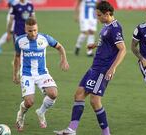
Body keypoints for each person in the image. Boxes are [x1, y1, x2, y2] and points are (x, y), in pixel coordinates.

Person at [54, 1, 126, 135]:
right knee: (79, 94)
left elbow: (122, 49)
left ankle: (106, 133)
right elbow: (106, 42)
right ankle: (71, 130)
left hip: (103, 69)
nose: (97, 18)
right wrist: (95, 45)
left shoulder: (115, 28)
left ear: (108, 14)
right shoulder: (106, 25)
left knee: (94, 100)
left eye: (99, 15)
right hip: (95, 66)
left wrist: (112, 68)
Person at [13, 18, 69, 131]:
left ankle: (41, 112)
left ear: (37, 28)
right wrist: (15, 74)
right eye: (30, 31)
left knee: (53, 94)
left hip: (42, 73)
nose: (33, 33)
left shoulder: (45, 38)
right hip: (27, 74)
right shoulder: (20, 41)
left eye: (34, 30)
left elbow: (60, 47)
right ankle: (21, 115)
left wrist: (64, 59)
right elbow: (17, 57)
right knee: (29, 102)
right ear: (25, 29)